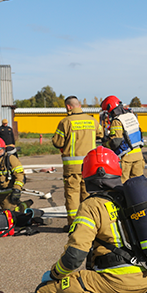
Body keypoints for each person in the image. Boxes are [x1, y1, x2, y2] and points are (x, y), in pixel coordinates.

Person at [35, 147, 147, 293]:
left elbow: (74, 256)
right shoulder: (131, 197)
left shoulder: (92, 205)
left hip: (118, 281)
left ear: (89, 175)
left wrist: (56, 273)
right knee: (106, 288)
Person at [52, 96, 97, 228]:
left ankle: (74, 225)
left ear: (68, 107)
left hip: (72, 168)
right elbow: (100, 134)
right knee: (88, 195)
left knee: (72, 196)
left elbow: (57, 142)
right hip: (90, 166)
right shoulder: (92, 120)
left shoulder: (65, 122)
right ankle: (89, 224)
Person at [101, 96, 145, 182]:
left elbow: (115, 142)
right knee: (137, 184)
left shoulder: (117, 121)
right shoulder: (132, 116)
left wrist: (105, 144)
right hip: (139, 155)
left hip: (126, 158)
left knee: (123, 184)